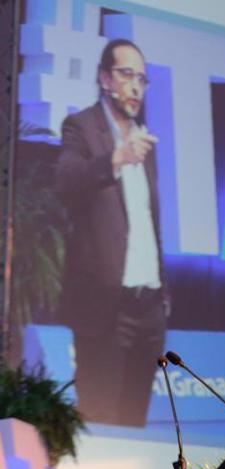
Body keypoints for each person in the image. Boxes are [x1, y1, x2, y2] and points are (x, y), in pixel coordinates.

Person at [55, 39, 167, 427]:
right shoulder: (82, 127)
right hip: (105, 308)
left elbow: (148, 223)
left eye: (142, 79)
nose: (136, 86)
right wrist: (116, 158)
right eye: (126, 75)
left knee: (136, 424)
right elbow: (67, 182)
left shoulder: (143, 136)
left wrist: (162, 296)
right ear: (104, 78)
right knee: (99, 424)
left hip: (148, 310)